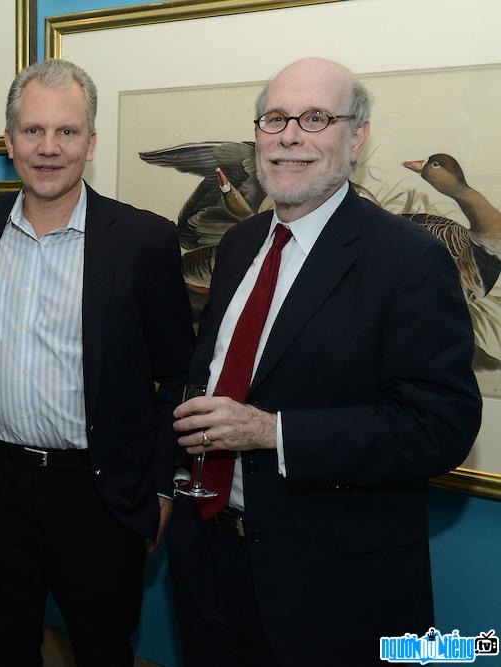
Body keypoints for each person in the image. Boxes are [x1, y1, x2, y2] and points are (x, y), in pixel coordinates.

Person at [169, 57, 482, 667]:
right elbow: (205, 380)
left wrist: (273, 431)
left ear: (356, 136)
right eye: (275, 118)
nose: (290, 136)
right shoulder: (237, 246)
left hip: (330, 591)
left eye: (315, 119)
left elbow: (440, 428)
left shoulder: (406, 261)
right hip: (209, 561)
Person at [0, 58, 194, 666]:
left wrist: (162, 488)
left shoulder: (144, 241)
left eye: (67, 132)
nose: (49, 148)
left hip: (97, 491)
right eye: (33, 131)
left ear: (91, 143)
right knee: (1, 647)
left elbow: (177, 377)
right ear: (9, 142)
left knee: (102, 647)